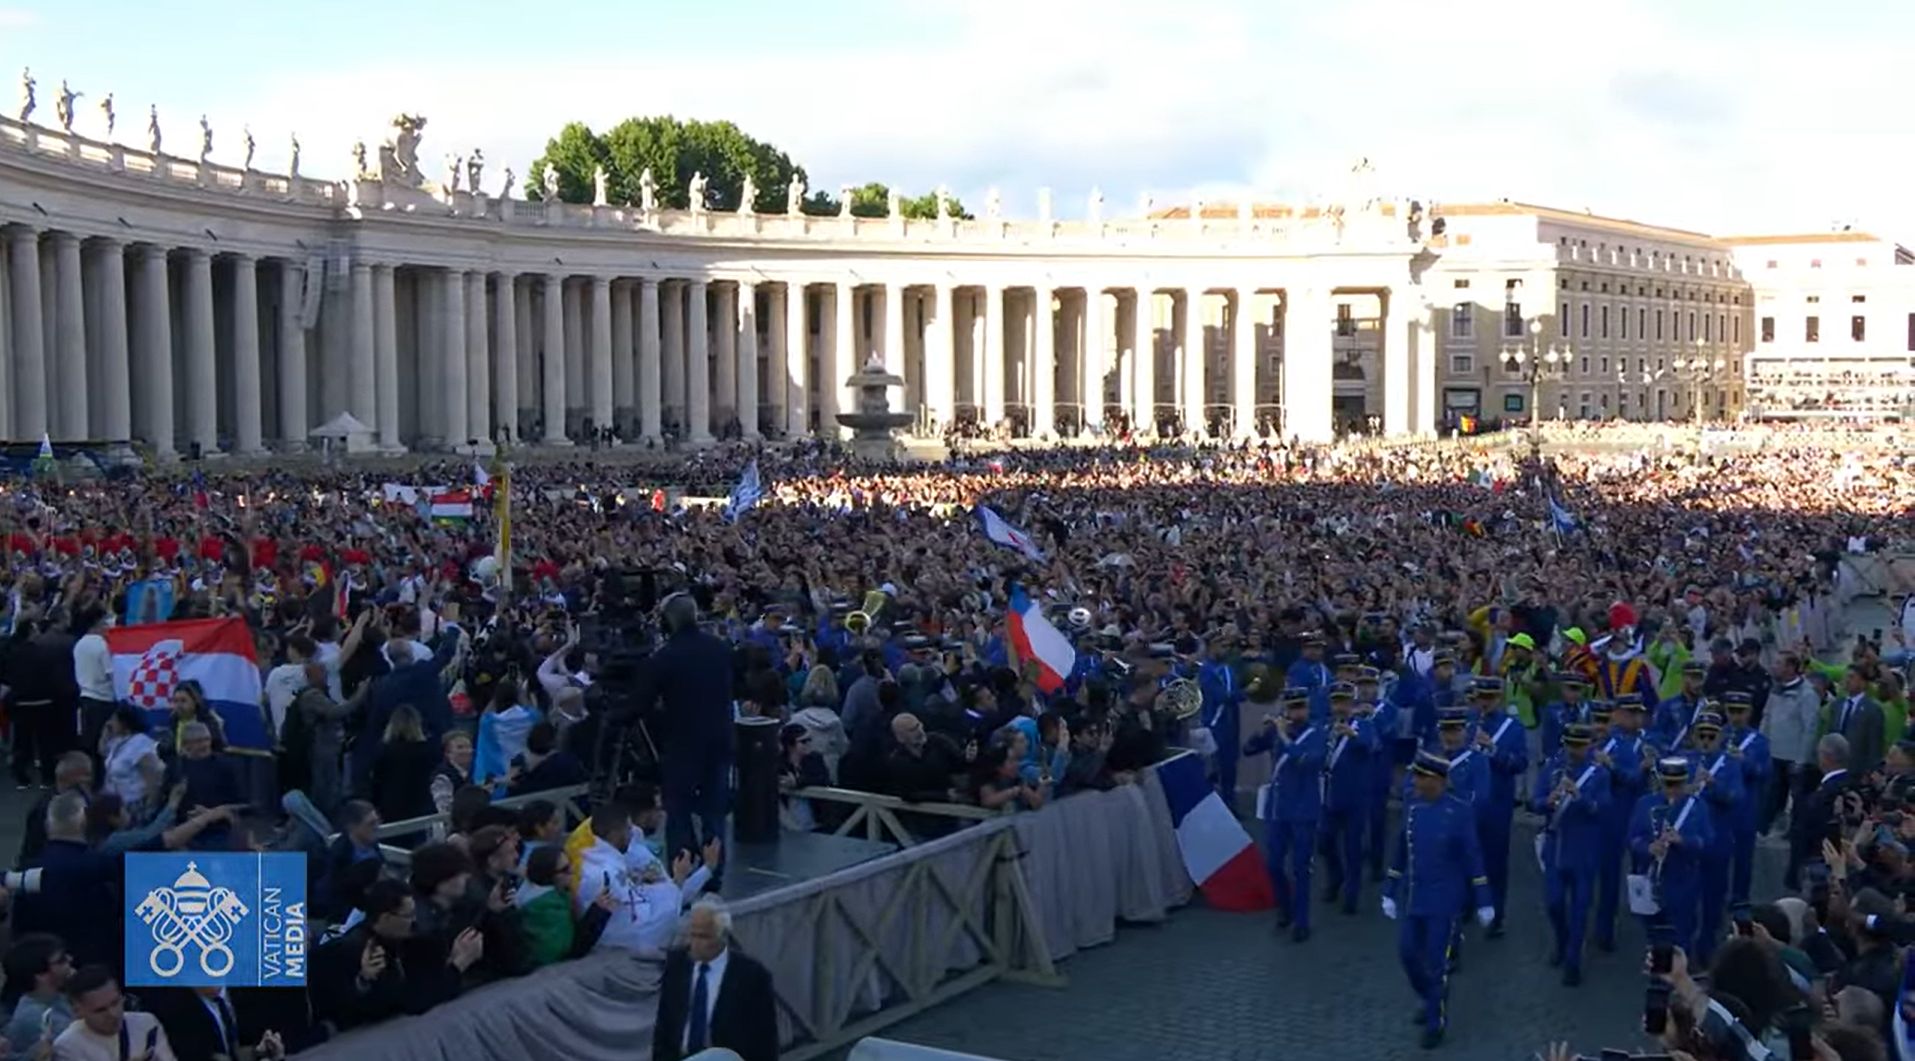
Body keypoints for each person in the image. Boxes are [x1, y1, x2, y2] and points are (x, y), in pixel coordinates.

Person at [1382, 750, 1493, 1051]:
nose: (1415, 781)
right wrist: (1390, 889)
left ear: (1439, 780)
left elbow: (1473, 856)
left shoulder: (1459, 811)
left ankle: (1435, 1022)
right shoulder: (1413, 809)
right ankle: (1431, 996)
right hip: (1414, 896)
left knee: (1436, 963)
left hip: (1444, 903)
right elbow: (1400, 852)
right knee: (1407, 954)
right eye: (1415, 775)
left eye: (1421, 776)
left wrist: (1483, 898)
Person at [635, 593, 736, 862]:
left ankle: (683, 867)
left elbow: (641, 703)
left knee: (678, 811)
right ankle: (714, 869)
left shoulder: (664, 657)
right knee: (714, 812)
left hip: (682, 745)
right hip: (719, 740)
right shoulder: (720, 648)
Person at [310, 878, 474, 1029]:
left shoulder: (411, 942)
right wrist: (365, 981)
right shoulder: (351, 951)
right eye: (408, 915)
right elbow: (404, 1001)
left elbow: (425, 987)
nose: (415, 921)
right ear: (386, 918)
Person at [574, 799, 717, 957]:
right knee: (709, 923)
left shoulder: (604, 861)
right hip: (626, 947)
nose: (631, 833)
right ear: (615, 833)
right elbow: (636, 928)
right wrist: (679, 882)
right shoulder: (605, 873)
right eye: (628, 829)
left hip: (636, 934)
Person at [1530, 722, 1609, 986]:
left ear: (1589, 745)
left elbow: (1603, 808)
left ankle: (1573, 960)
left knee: (1580, 907)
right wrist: (1547, 801)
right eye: (1571, 745)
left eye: (1580, 745)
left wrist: (1580, 797)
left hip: (1584, 848)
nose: (1575, 750)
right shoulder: (1552, 769)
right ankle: (1562, 939)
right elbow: (1535, 801)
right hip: (1556, 847)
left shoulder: (1598, 773)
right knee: (1553, 902)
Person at [651, 898, 778, 1061]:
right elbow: (664, 1025)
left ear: (723, 936)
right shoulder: (675, 964)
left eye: (703, 937)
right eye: (692, 935)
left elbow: (765, 1040)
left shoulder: (751, 976)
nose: (694, 943)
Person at [1243, 687, 1323, 942]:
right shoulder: (1279, 730)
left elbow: (1308, 761)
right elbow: (1248, 749)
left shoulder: (1317, 733)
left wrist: (1284, 738)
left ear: (1307, 709)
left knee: (1301, 868)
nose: (1296, 713)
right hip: (1278, 810)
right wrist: (1264, 729)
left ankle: (1301, 920)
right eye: (1291, 708)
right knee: (1274, 864)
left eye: (1300, 708)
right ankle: (1284, 908)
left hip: (1303, 810)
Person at [1629, 757, 1715, 961]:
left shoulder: (1697, 806)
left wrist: (1683, 841)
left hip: (1683, 881)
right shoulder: (1645, 804)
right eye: (1668, 784)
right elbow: (1632, 838)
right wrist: (1648, 847)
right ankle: (1658, 978)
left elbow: (1708, 842)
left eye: (1677, 784)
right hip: (1652, 878)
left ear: (1685, 782)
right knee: (1653, 934)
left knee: (1681, 936)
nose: (1672, 790)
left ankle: (1676, 983)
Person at [1466, 675, 1528, 936]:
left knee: (1495, 862)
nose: (1485, 703)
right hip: (1468, 802)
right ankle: (1467, 905)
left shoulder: (1512, 728)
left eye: (1490, 698)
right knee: (1466, 856)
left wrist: (1493, 750)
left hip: (1497, 803)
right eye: (1481, 698)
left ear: (1499, 699)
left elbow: (1520, 763)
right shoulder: (1467, 724)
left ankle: (1495, 914)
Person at [1682, 712, 1743, 966]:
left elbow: (1735, 797)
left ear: (1720, 737)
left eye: (1711, 736)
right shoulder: (1684, 762)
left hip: (1717, 841)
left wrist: (1713, 784)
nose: (1706, 741)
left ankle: (1706, 948)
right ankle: (1684, 950)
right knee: (1685, 897)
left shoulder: (1729, 764)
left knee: (1713, 899)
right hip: (1688, 843)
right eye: (1702, 735)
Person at [1592, 698, 1650, 951]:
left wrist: (1615, 766)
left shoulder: (1647, 741)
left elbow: (1636, 778)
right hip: (1613, 814)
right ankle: (1605, 928)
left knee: (1643, 867)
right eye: (1629, 713)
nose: (1635, 718)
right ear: (1617, 714)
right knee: (1610, 871)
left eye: (1638, 713)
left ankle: (1649, 922)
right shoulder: (1610, 742)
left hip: (1639, 811)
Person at [1318, 682, 1377, 915]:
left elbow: (1372, 745)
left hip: (1355, 798)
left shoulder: (1363, 725)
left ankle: (1351, 894)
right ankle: (1336, 877)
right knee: (1324, 842)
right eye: (1336, 702)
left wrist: (1353, 736)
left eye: (1344, 702)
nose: (1340, 707)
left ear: (1352, 703)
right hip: (1329, 796)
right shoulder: (1324, 727)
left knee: (1353, 848)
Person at [516, 845, 614, 967]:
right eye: (565, 869)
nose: (572, 870)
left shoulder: (544, 893)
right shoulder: (545, 907)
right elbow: (569, 950)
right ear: (550, 876)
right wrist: (597, 913)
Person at [51, 965, 175, 1061]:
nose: (113, 1014)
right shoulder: (68, 1046)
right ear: (78, 1011)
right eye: (100, 1010)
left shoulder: (146, 1023)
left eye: (115, 1003)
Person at [1720, 691, 1772, 904]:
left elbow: (1765, 773)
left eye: (1740, 712)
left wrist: (1744, 761)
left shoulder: (1758, 741)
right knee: (1718, 856)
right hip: (1721, 806)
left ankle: (1740, 899)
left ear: (1749, 712)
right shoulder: (1718, 736)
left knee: (1743, 858)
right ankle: (1717, 894)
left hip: (1745, 807)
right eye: (1732, 711)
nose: (1736, 717)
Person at [1762, 651, 1819, 837]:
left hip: (1794, 757)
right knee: (1772, 794)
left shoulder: (1807, 694)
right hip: (1774, 752)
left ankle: (1793, 831)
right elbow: (1767, 717)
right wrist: (1762, 744)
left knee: (1796, 798)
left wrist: (1801, 759)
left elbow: (1810, 727)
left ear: (1790, 668)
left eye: (1778, 663)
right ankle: (1767, 825)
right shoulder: (1776, 689)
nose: (1774, 666)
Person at [1788, 733, 1853, 890]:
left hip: (1818, 859)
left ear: (1826, 757)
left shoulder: (1826, 792)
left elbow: (1810, 826)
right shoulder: (1849, 782)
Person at [17, 752, 92, 868]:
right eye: (85, 778)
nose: (89, 780)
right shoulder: (44, 810)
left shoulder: (83, 799)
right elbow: (32, 850)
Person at [2, 933, 74, 1054]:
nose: (70, 959)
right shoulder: (34, 1017)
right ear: (41, 975)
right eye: (61, 960)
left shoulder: (59, 996)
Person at [368, 704, 436, 826]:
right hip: (420, 806)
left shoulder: (383, 750)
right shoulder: (426, 751)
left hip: (390, 806)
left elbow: (375, 781)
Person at [68, 607, 115, 775]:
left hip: (86, 698)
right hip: (104, 700)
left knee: (89, 743)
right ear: (98, 623)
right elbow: (111, 674)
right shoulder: (102, 646)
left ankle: (91, 777)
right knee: (104, 744)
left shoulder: (79, 644)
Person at [98, 706, 163, 814]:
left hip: (134, 806)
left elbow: (154, 777)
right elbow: (102, 750)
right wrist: (105, 732)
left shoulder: (140, 744)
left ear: (124, 723)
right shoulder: (117, 741)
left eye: (114, 720)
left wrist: (149, 808)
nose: (110, 723)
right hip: (115, 805)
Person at [1828, 664, 1885, 775]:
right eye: (1846, 677)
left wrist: (1871, 771)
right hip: (1835, 766)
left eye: (1851, 677)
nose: (1847, 680)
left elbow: (1875, 744)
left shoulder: (1872, 709)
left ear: (1863, 682)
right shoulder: (1837, 705)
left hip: (1858, 767)